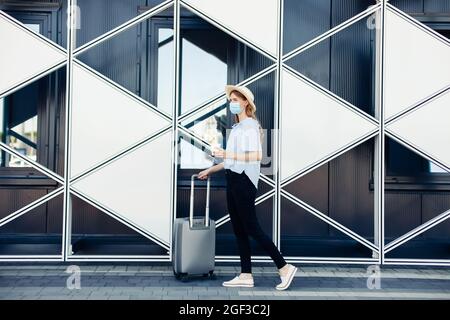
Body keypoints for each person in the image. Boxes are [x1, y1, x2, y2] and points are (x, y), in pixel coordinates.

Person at [198, 85, 297, 290]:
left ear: (245, 103)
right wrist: (211, 170)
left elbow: (257, 157)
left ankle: (284, 268)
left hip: (243, 183)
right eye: (231, 100)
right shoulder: (237, 128)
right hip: (233, 179)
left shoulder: (250, 126)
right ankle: (246, 275)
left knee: (252, 227)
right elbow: (231, 160)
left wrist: (228, 154)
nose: (232, 103)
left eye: (235, 100)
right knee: (239, 230)